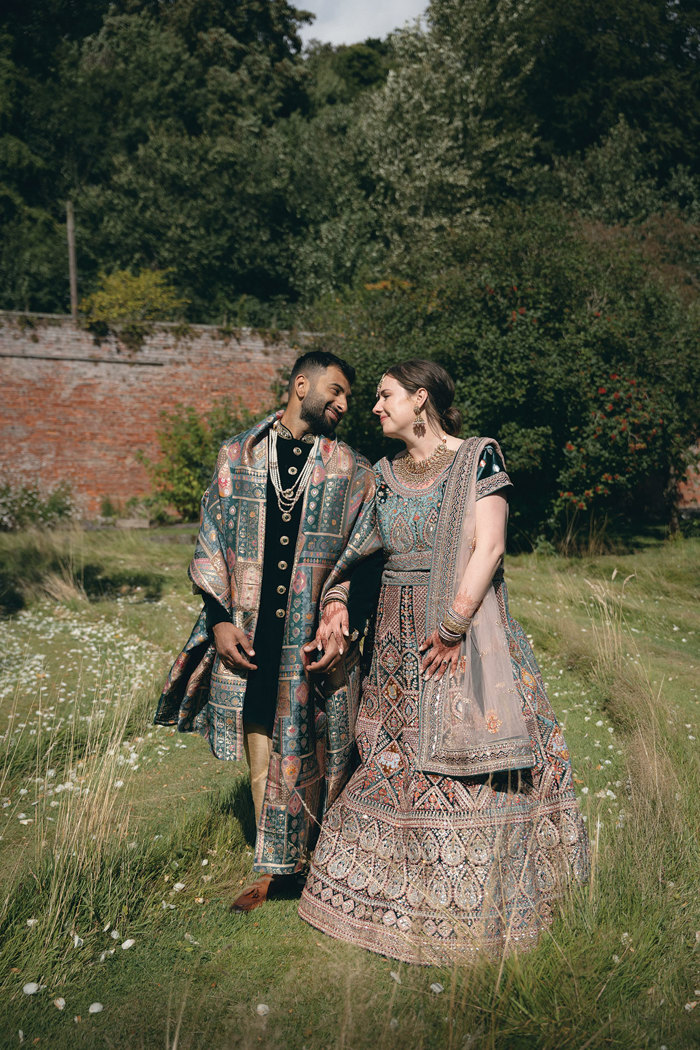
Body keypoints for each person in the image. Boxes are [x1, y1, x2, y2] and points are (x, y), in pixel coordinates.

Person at [299, 359, 590, 964]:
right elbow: (356, 556)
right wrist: (336, 603)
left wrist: (454, 625)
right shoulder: (379, 475)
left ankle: (491, 902)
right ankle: (391, 898)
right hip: (395, 649)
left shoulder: (478, 456)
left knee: (474, 771)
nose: (374, 407)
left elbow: (490, 545)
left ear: (420, 399)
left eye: (384, 396)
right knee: (392, 760)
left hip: (464, 639)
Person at [154, 351, 380, 912]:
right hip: (253, 628)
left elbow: (364, 552)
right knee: (261, 742)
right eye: (336, 391)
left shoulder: (351, 468)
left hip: (311, 631)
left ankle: (322, 855)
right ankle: (274, 866)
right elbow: (213, 539)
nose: (344, 404)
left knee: (322, 741)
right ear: (301, 385)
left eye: (348, 396)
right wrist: (220, 619)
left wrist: (339, 613)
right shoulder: (238, 456)